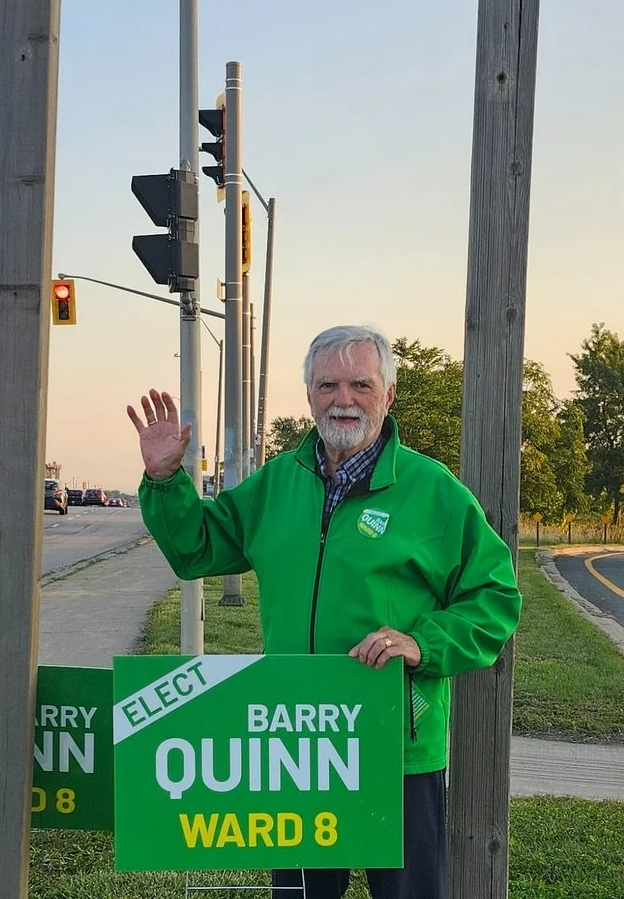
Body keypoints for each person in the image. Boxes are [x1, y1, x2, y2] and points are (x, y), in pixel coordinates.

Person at [128, 324, 522, 899]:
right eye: (327, 384)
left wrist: (425, 642)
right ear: (309, 394)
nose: (344, 399)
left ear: (387, 395)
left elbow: (495, 597)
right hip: (298, 747)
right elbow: (196, 548)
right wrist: (166, 480)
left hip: (397, 748)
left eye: (361, 384)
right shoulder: (276, 485)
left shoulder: (432, 492)